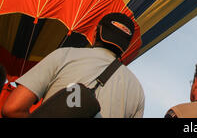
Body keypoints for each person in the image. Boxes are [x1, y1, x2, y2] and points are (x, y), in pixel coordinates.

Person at [1, 12, 145, 118]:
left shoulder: (65, 55)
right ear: (126, 46)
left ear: (96, 33)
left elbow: (12, 108)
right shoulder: (138, 92)